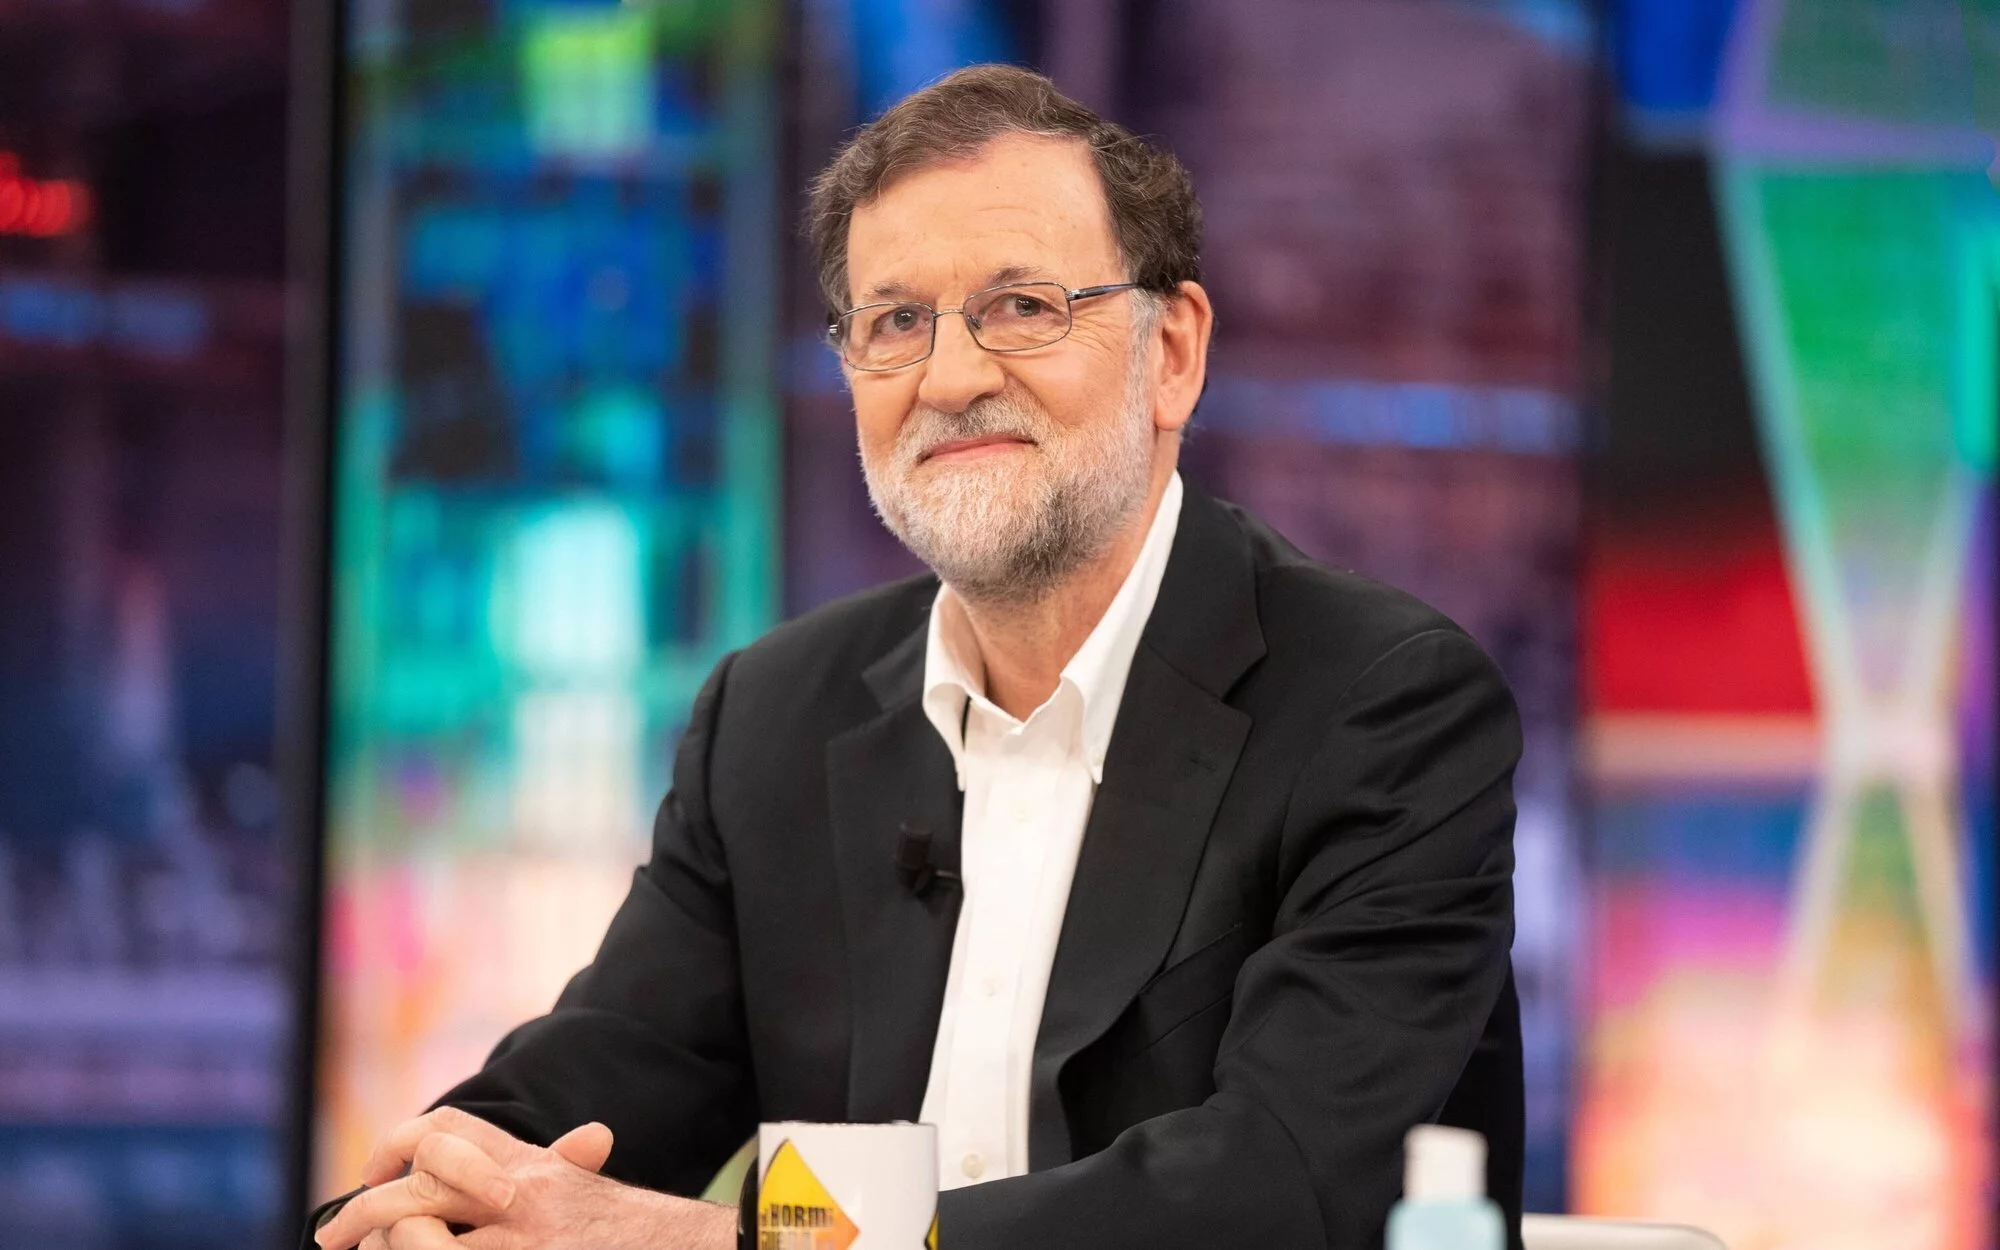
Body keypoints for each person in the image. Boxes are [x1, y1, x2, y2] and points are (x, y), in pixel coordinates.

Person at [313, 63, 1524, 1250]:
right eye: (895, 322)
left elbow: (1279, 1189)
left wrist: (716, 1246)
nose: (949, 378)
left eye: (1023, 306)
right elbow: (579, 1094)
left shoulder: (1381, 704)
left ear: (1171, 353)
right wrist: (418, 1211)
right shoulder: (773, 717)